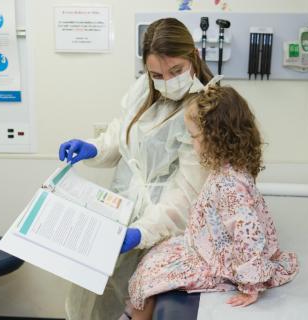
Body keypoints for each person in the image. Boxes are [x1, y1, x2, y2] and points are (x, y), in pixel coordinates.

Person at [59, 18, 221, 320]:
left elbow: (186, 195)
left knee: (129, 302)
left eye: (176, 71)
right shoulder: (145, 90)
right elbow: (124, 136)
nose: (167, 81)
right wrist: (94, 147)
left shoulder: (205, 111)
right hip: (121, 209)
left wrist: (141, 232)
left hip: (162, 228)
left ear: (194, 57)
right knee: (93, 296)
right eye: (157, 74)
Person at [128, 85, 299, 320]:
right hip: (207, 244)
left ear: (216, 138)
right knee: (152, 260)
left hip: (222, 261)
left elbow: (249, 236)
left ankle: (135, 315)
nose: (192, 143)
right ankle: (135, 314)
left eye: (194, 137)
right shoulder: (226, 168)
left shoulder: (230, 185)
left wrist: (250, 286)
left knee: (151, 277)